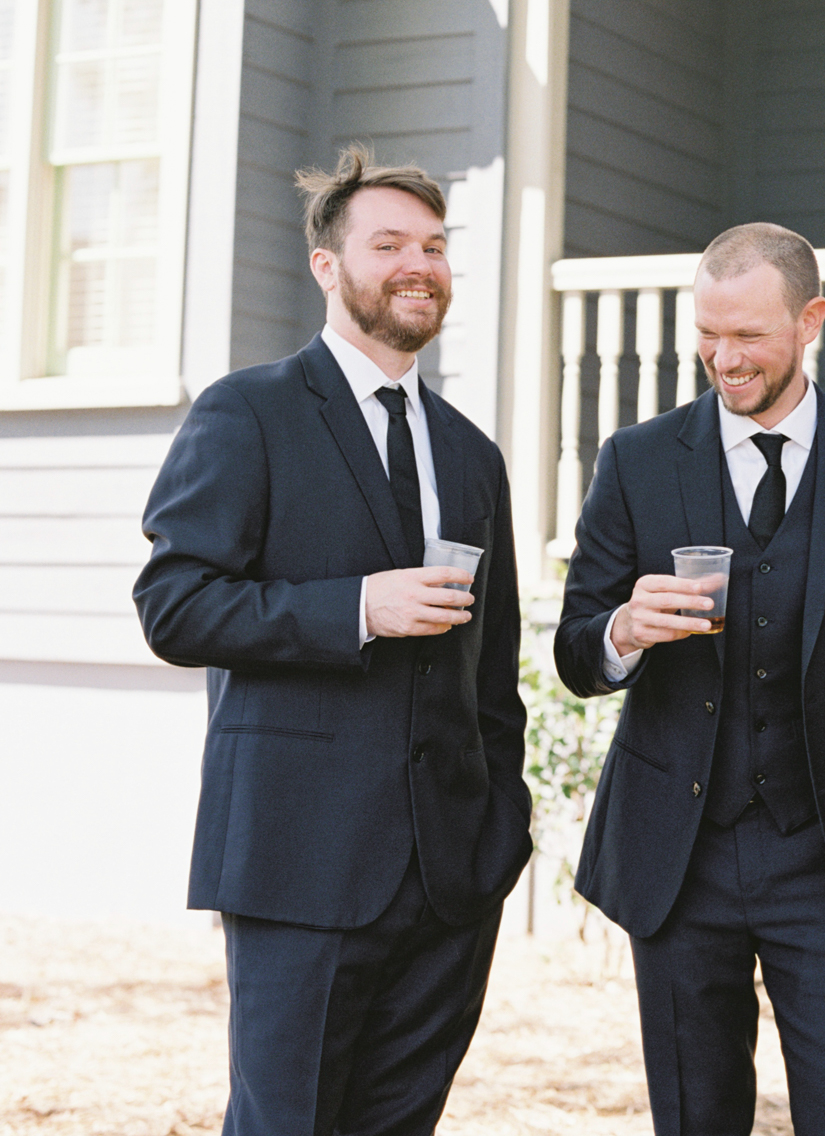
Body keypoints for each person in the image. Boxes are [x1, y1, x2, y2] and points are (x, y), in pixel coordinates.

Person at [134, 146, 530, 1136]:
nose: (418, 264)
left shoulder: (472, 455)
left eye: (434, 246)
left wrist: (500, 830)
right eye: (388, 242)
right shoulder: (249, 411)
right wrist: (355, 607)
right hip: (296, 860)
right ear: (327, 266)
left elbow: (495, 674)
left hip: (449, 878)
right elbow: (174, 603)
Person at [555, 222, 825, 1136]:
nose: (723, 359)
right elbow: (577, 649)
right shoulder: (638, 461)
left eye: (749, 336)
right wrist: (622, 629)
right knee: (695, 1118)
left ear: (810, 320)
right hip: (678, 853)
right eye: (708, 333)